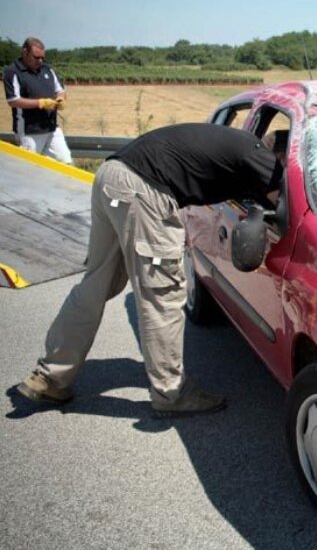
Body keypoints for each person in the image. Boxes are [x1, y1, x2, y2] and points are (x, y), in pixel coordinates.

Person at [15, 123, 286, 417]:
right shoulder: (261, 155)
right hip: (144, 190)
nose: (278, 170)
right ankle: (172, 394)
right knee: (163, 295)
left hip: (112, 176)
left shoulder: (240, 145)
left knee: (97, 283)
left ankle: (49, 376)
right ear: (280, 155)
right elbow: (283, 204)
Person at [3, 37, 72, 164]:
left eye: (42, 58)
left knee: (65, 162)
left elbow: (60, 90)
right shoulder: (12, 72)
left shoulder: (47, 70)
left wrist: (61, 98)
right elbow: (13, 100)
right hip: (29, 131)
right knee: (29, 168)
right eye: (36, 57)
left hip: (52, 128)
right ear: (24, 52)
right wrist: (40, 103)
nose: (40, 61)